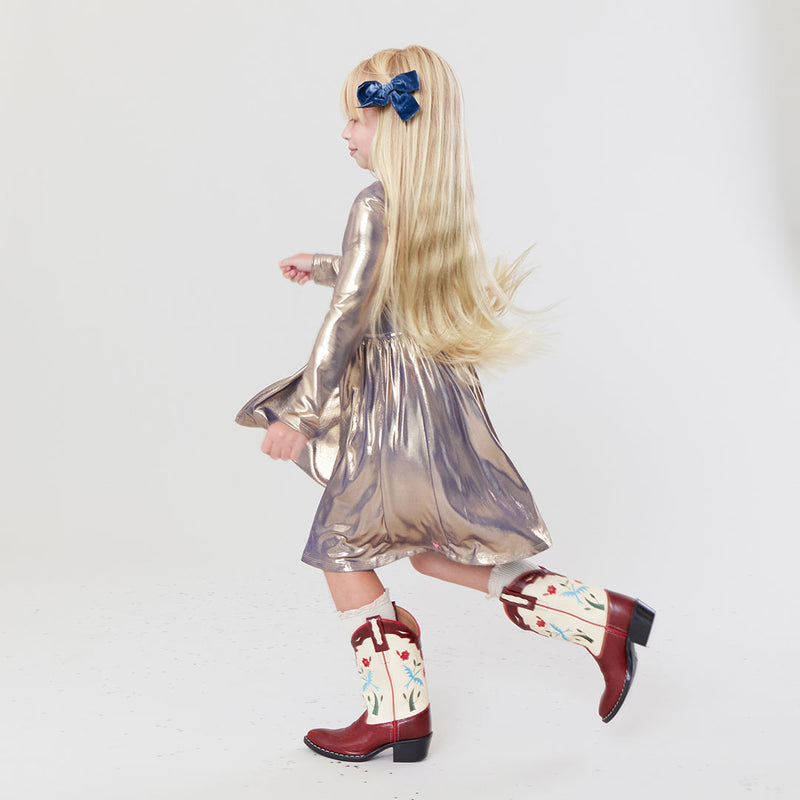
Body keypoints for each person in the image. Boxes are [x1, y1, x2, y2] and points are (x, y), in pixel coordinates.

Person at [236, 45, 654, 764]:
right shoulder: (438, 201)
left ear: (394, 128)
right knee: (432, 553)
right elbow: (381, 280)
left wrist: (301, 415)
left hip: (394, 408)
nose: (346, 133)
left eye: (358, 119)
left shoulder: (373, 203)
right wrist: (326, 265)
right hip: (436, 390)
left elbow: (351, 316)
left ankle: (399, 712)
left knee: (342, 550)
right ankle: (599, 619)